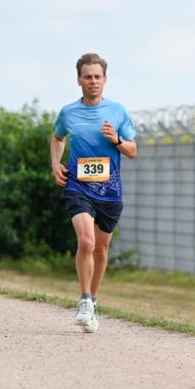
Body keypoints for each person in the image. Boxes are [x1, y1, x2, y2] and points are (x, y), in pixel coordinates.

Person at [51, 53, 137, 333]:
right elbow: (57, 138)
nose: (93, 82)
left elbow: (133, 151)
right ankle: (84, 301)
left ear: (105, 80)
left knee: (101, 249)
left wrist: (117, 140)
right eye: (87, 77)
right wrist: (55, 164)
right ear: (79, 80)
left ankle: (94, 300)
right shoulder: (69, 113)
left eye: (97, 77)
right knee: (86, 242)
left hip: (110, 191)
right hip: (78, 186)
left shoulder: (117, 111)